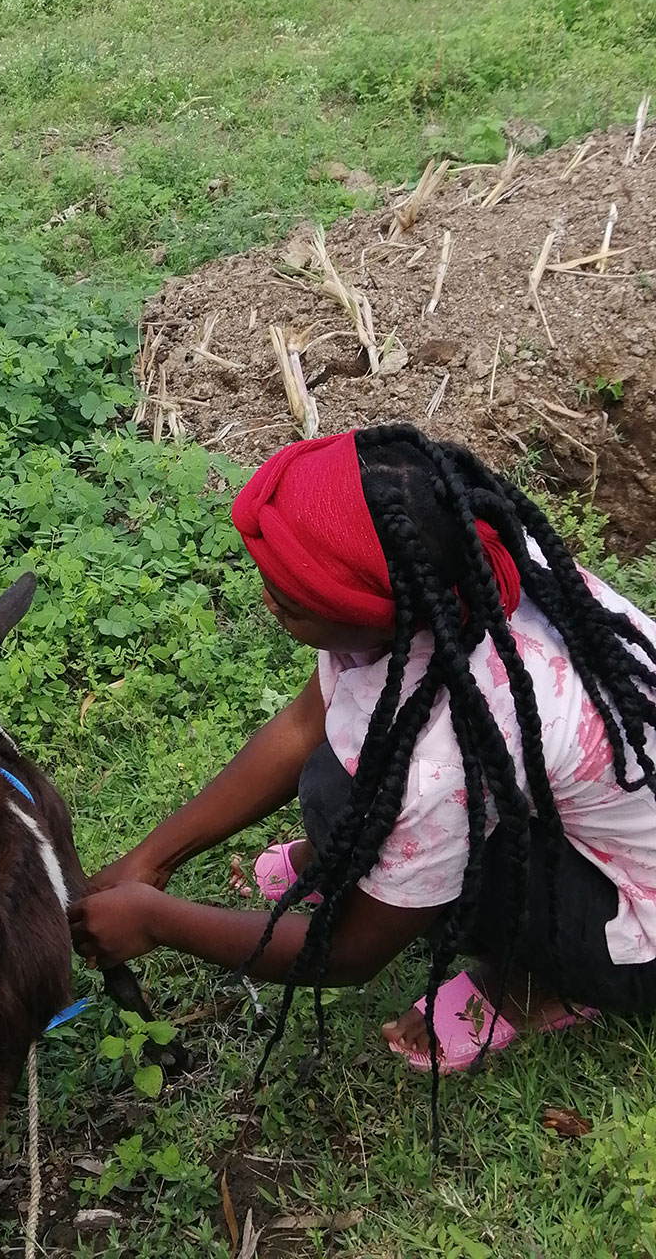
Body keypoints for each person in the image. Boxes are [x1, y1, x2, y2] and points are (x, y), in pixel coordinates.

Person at [72, 425, 656, 1138]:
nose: (266, 604)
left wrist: (157, 920)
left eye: (287, 602)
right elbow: (301, 726)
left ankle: (542, 982)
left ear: (371, 614)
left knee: (366, 805)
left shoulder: (450, 742)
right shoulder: (461, 560)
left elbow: (350, 953)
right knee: (335, 779)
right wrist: (153, 859)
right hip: (604, 816)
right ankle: (370, 865)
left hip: (640, 930)